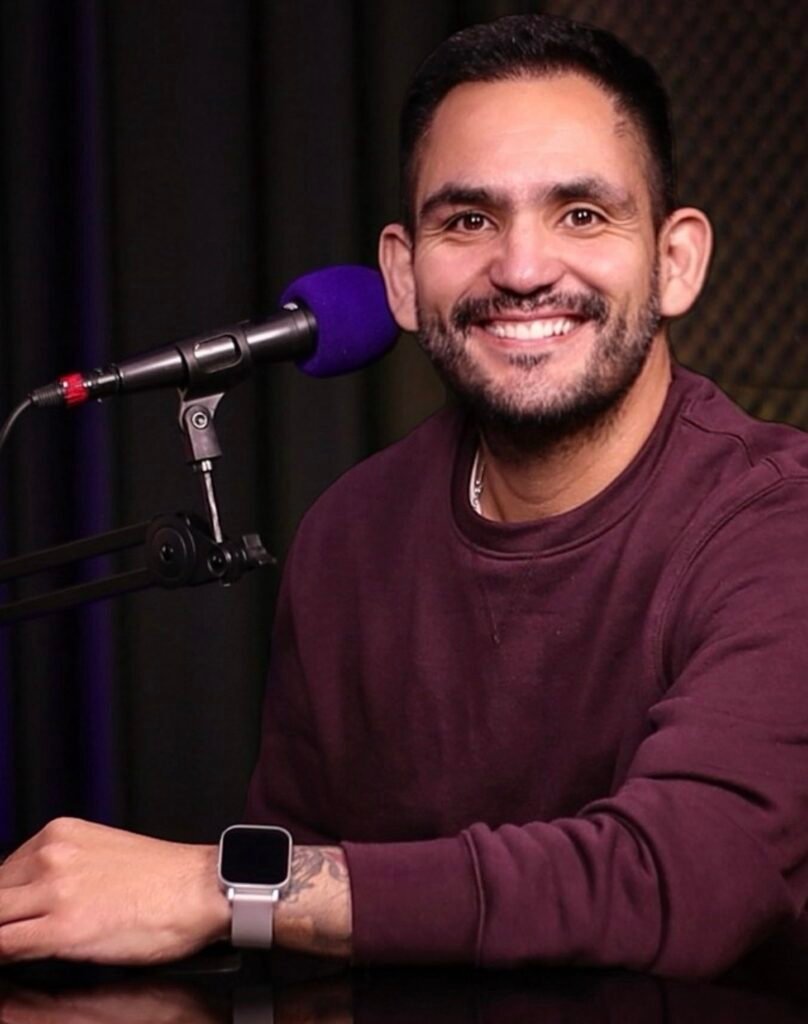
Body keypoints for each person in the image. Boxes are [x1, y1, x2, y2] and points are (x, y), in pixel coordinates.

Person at [1, 12, 807, 975]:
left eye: (582, 215)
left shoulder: (777, 527)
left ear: (676, 262)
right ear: (401, 274)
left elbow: (676, 881)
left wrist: (219, 884)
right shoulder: (349, 534)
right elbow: (294, 945)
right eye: (468, 220)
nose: (522, 270)